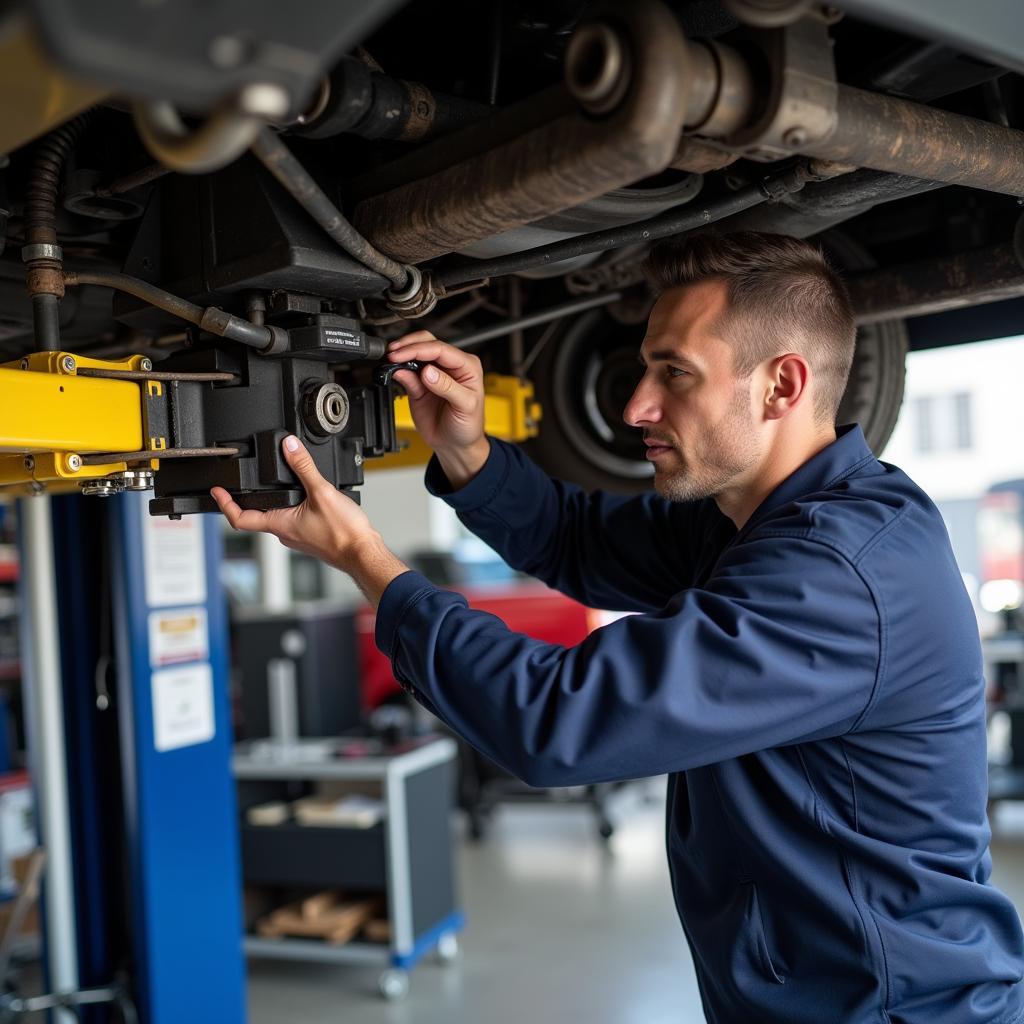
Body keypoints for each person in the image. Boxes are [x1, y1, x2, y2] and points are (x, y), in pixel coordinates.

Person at [212, 231, 1024, 1024]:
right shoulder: (757, 522)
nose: (637, 405)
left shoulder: (837, 576)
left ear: (781, 386)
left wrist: (365, 560)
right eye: (646, 367)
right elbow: (582, 539)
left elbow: (562, 722)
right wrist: (467, 452)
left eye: (675, 374)